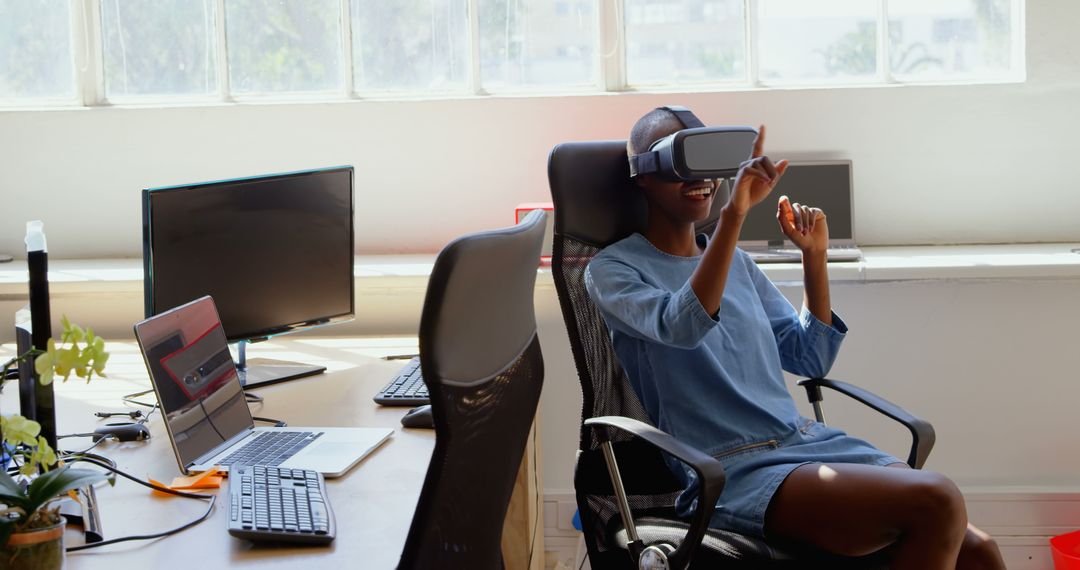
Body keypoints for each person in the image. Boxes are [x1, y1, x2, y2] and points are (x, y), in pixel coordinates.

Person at [583, 107, 1004, 569]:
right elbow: (681, 326)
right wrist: (733, 217)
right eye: (679, 165)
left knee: (979, 552)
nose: (698, 180)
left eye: (707, 166)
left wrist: (814, 258)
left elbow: (811, 358)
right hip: (731, 468)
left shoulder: (737, 265)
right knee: (935, 501)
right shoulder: (613, 270)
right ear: (642, 175)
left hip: (802, 442)